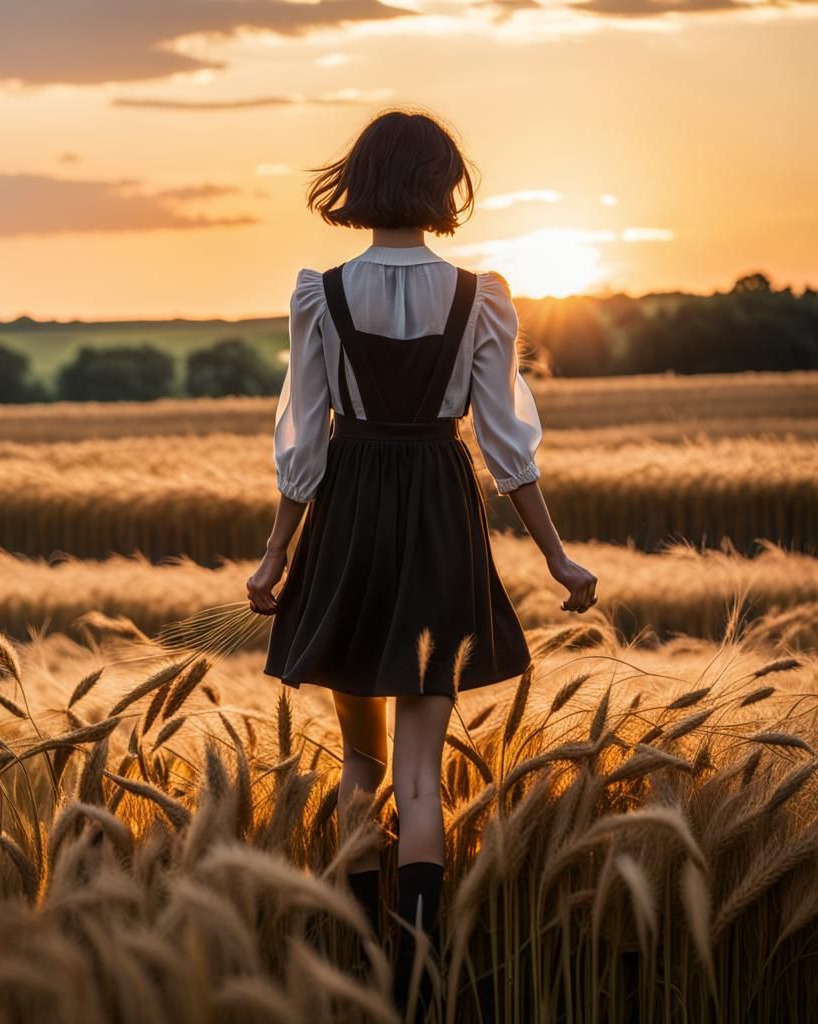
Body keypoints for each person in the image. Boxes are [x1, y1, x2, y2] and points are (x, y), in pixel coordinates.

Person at [246, 107, 598, 1020]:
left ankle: (364, 964)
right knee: (417, 766)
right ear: (445, 187)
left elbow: (305, 444)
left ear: (355, 184)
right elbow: (506, 443)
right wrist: (558, 560)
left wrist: (275, 557)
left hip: (351, 518)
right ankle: (417, 982)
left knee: (359, 764)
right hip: (441, 513)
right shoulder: (480, 295)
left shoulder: (319, 293)